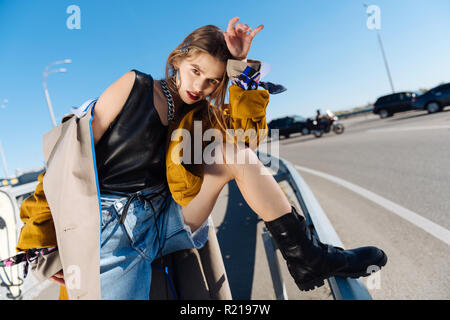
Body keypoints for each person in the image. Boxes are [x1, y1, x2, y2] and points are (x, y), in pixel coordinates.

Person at [16, 17, 387, 299]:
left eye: (212, 81)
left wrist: (240, 66)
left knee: (236, 155)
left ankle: (308, 257)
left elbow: (249, 139)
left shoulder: (202, 115)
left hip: (167, 217)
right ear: (178, 60)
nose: (199, 87)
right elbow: (68, 160)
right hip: (110, 232)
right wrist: (39, 240)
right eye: (195, 71)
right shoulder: (134, 86)